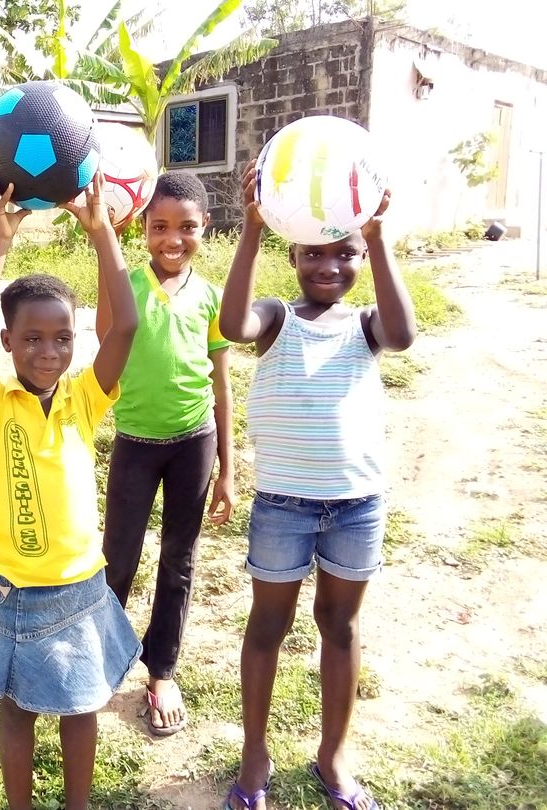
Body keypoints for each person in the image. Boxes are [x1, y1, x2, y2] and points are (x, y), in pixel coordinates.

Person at [218, 161, 416, 810]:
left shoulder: (367, 325)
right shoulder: (278, 318)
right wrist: (251, 229)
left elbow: (403, 336)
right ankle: (255, 753)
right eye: (313, 253)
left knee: (340, 623)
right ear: (293, 256)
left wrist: (379, 239)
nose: (328, 266)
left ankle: (333, 755)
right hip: (284, 504)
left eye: (345, 253)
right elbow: (233, 326)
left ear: (361, 257)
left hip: (356, 506)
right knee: (267, 625)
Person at [0, 168, 143, 810]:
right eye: (32, 339)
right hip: (17, 589)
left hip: (80, 586)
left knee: (81, 705)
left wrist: (102, 234)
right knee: (16, 710)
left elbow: (124, 328)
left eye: (62, 338)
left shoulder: (83, 400)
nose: (48, 351)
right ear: (9, 342)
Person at [98, 169, 236, 737]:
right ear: (142, 229)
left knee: (179, 559)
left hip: (194, 443)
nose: (172, 239)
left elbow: (221, 384)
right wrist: (102, 236)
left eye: (186, 227)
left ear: (206, 227)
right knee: (118, 558)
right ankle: (104, 659)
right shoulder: (125, 285)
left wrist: (229, 468)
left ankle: (162, 671)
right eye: (159, 226)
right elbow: (105, 336)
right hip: (135, 443)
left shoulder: (210, 297)